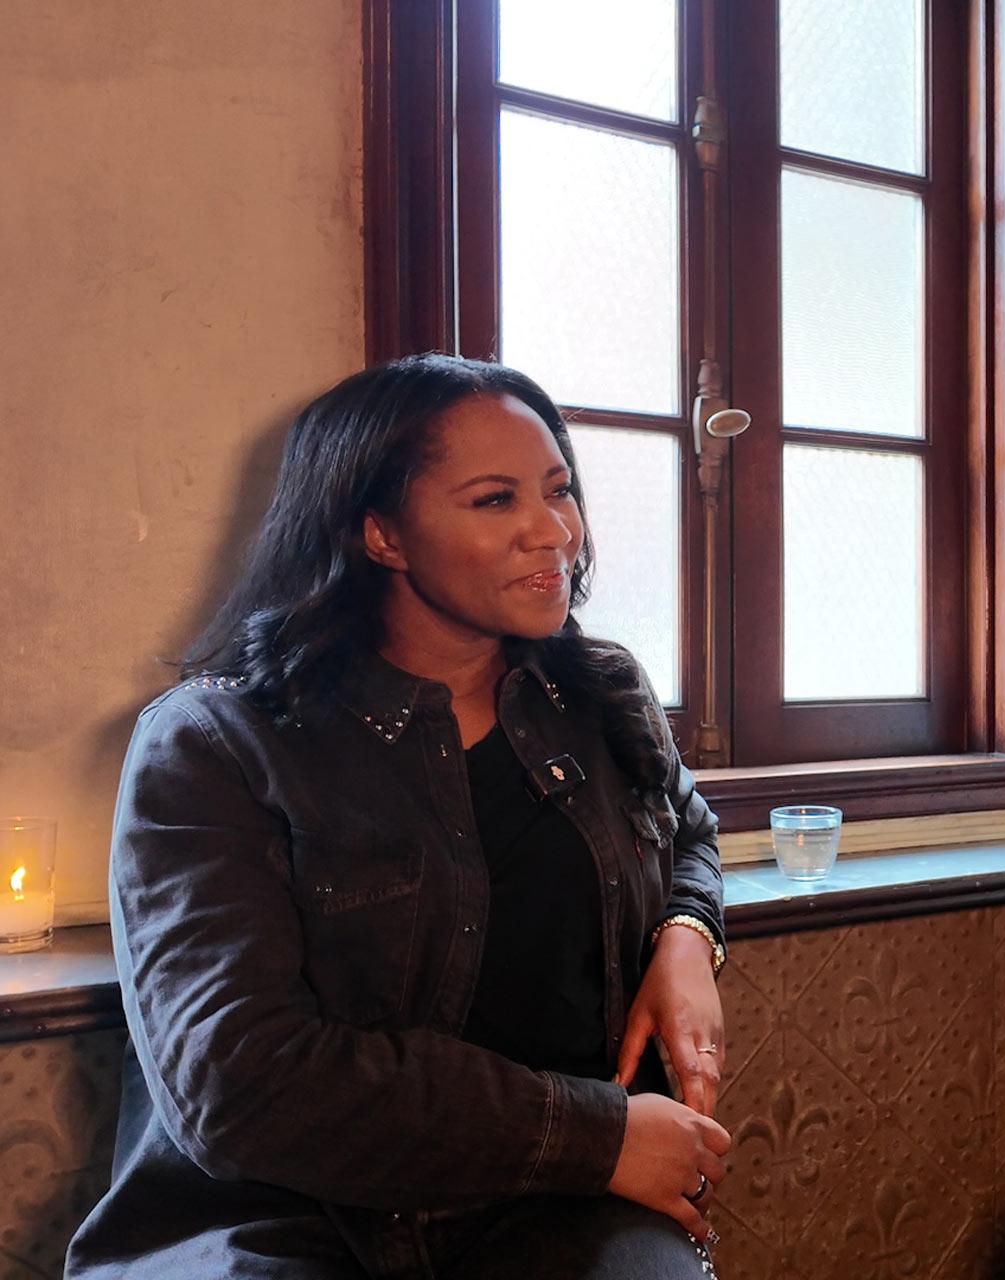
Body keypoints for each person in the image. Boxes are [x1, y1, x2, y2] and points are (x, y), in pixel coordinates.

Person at [66, 355, 733, 1278]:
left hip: (545, 1210)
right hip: (281, 1217)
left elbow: (687, 826)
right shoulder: (215, 743)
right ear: (381, 532)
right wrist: (598, 1135)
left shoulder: (596, 691)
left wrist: (688, 934)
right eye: (495, 500)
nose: (555, 532)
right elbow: (241, 1088)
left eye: (559, 489)